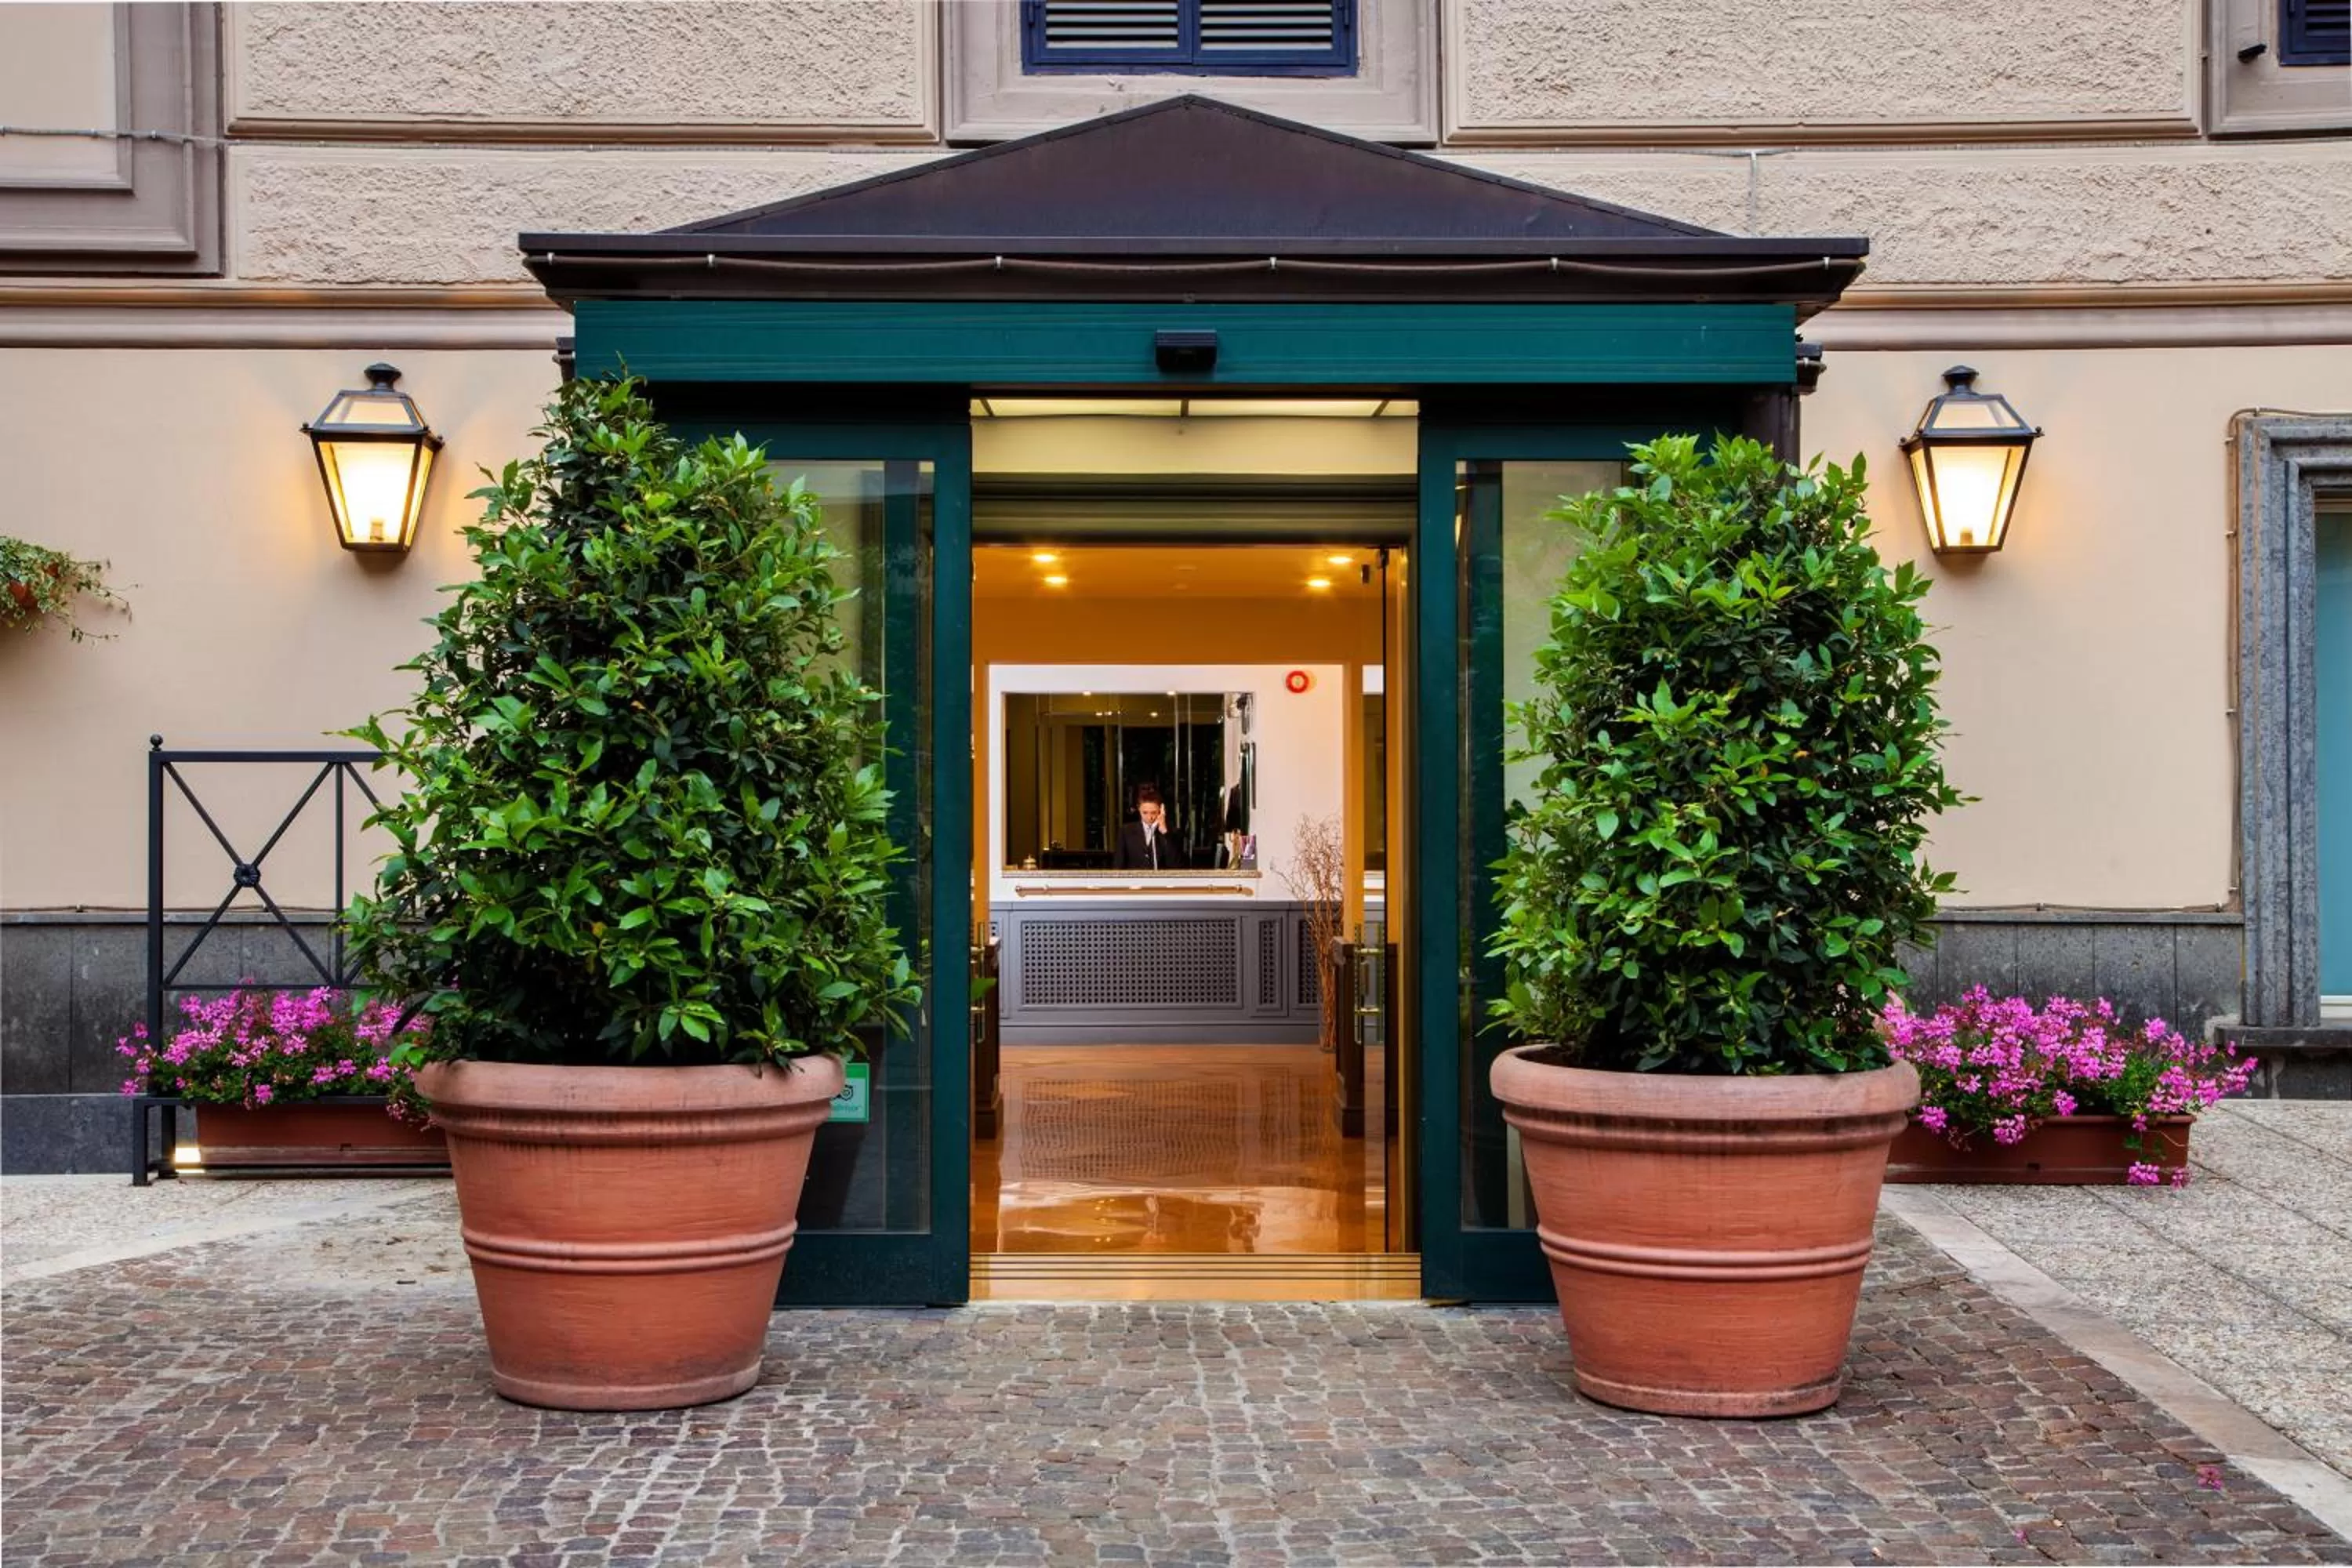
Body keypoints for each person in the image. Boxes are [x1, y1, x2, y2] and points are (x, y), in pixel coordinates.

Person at [1113, 785, 1186, 870]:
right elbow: (1118, 865)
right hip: (1135, 881)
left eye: (1153, 813)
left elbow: (1176, 864)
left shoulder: (1173, 832)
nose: (1149, 817)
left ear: (1161, 810)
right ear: (1139, 809)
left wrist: (1165, 833)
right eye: (1145, 813)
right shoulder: (1126, 831)